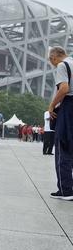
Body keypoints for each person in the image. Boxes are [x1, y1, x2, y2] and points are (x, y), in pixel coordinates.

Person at [47, 46, 73, 200]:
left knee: (63, 146)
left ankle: (66, 189)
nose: (53, 64)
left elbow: (64, 88)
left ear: (54, 58)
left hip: (68, 106)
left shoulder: (63, 65)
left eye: (51, 61)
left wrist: (52, 105)